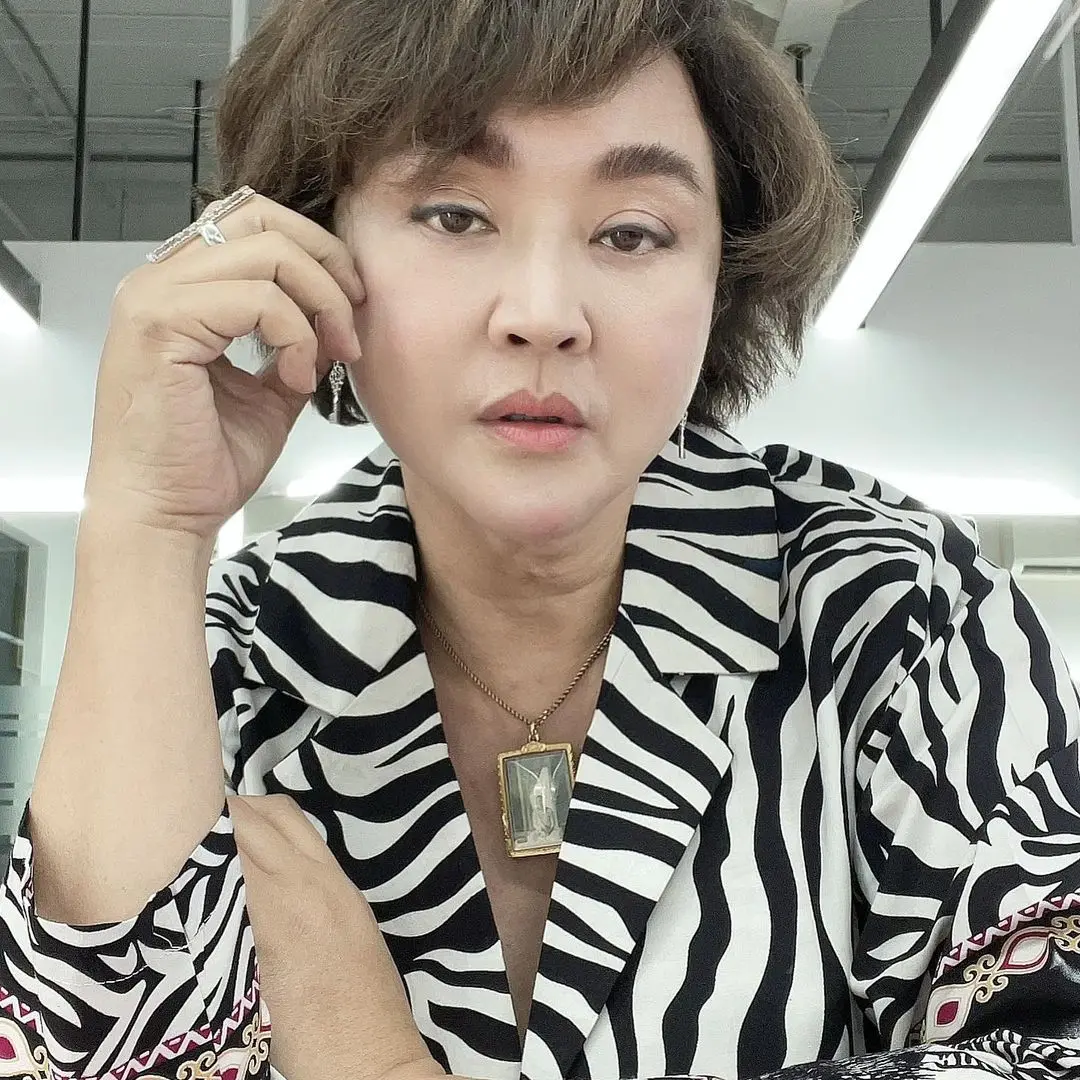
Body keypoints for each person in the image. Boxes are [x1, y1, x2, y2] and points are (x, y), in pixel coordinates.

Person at [1, 0, 1079, 1076]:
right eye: (454, 215)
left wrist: (375, 1062)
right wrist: (146, 526)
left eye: (631, 233)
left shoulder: (898, 606)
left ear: (723, 277)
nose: (544, 312)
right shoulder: (238, 653)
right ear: (314, 250)